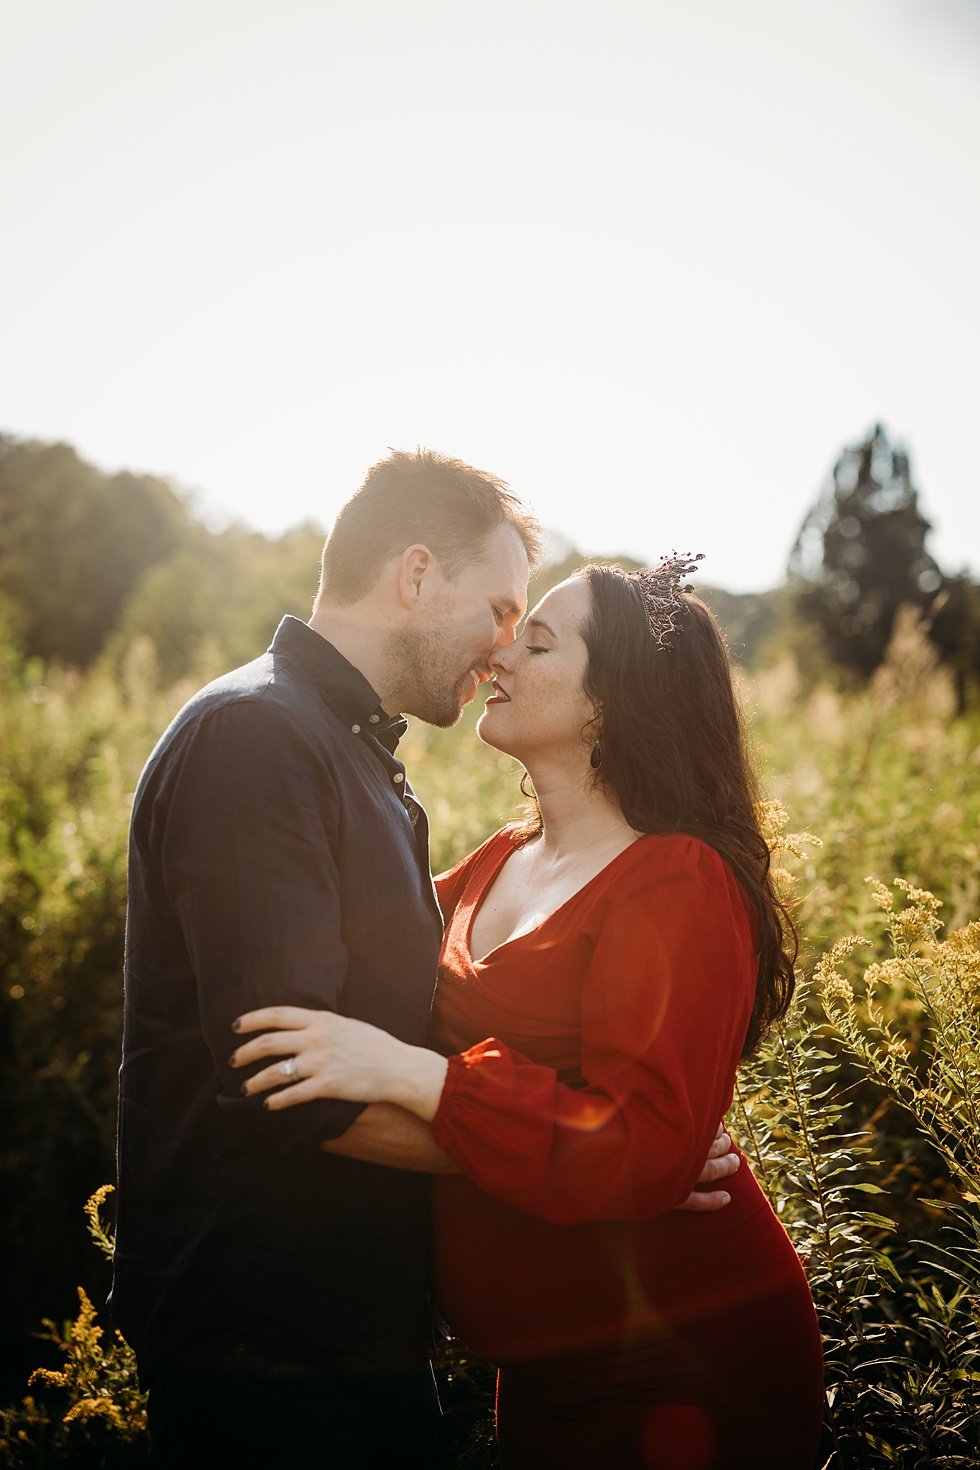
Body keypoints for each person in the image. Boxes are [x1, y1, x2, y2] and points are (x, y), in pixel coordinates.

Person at [110, 451, 736, 1470]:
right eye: (498, 608)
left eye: (527, 629)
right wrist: (609, 1165)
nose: (500, 647)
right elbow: (292, 1086)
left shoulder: (350, 756)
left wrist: (618, 1151)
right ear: (413, 576)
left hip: (345, 1333)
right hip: (265, 1343)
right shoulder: (258, 739)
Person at [230, 558, 826, 1470]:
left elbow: (643, 1148)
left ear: (614, 700)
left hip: (684, 1369)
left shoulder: (677, 880)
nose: (500, 653)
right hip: (546, 1368)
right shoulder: (498, 858)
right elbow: (347, 969)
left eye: (539, 641)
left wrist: (424, 1079)